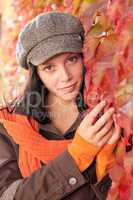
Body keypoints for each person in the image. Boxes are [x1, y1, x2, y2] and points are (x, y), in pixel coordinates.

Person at [0, 11, 121, 200]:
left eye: (71, 59)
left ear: (83, 58)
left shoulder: (106, 113)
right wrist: (77, 155)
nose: (65, 76)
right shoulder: (10, 126)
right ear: (36, 73)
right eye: (49, 67)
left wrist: (106, 170)